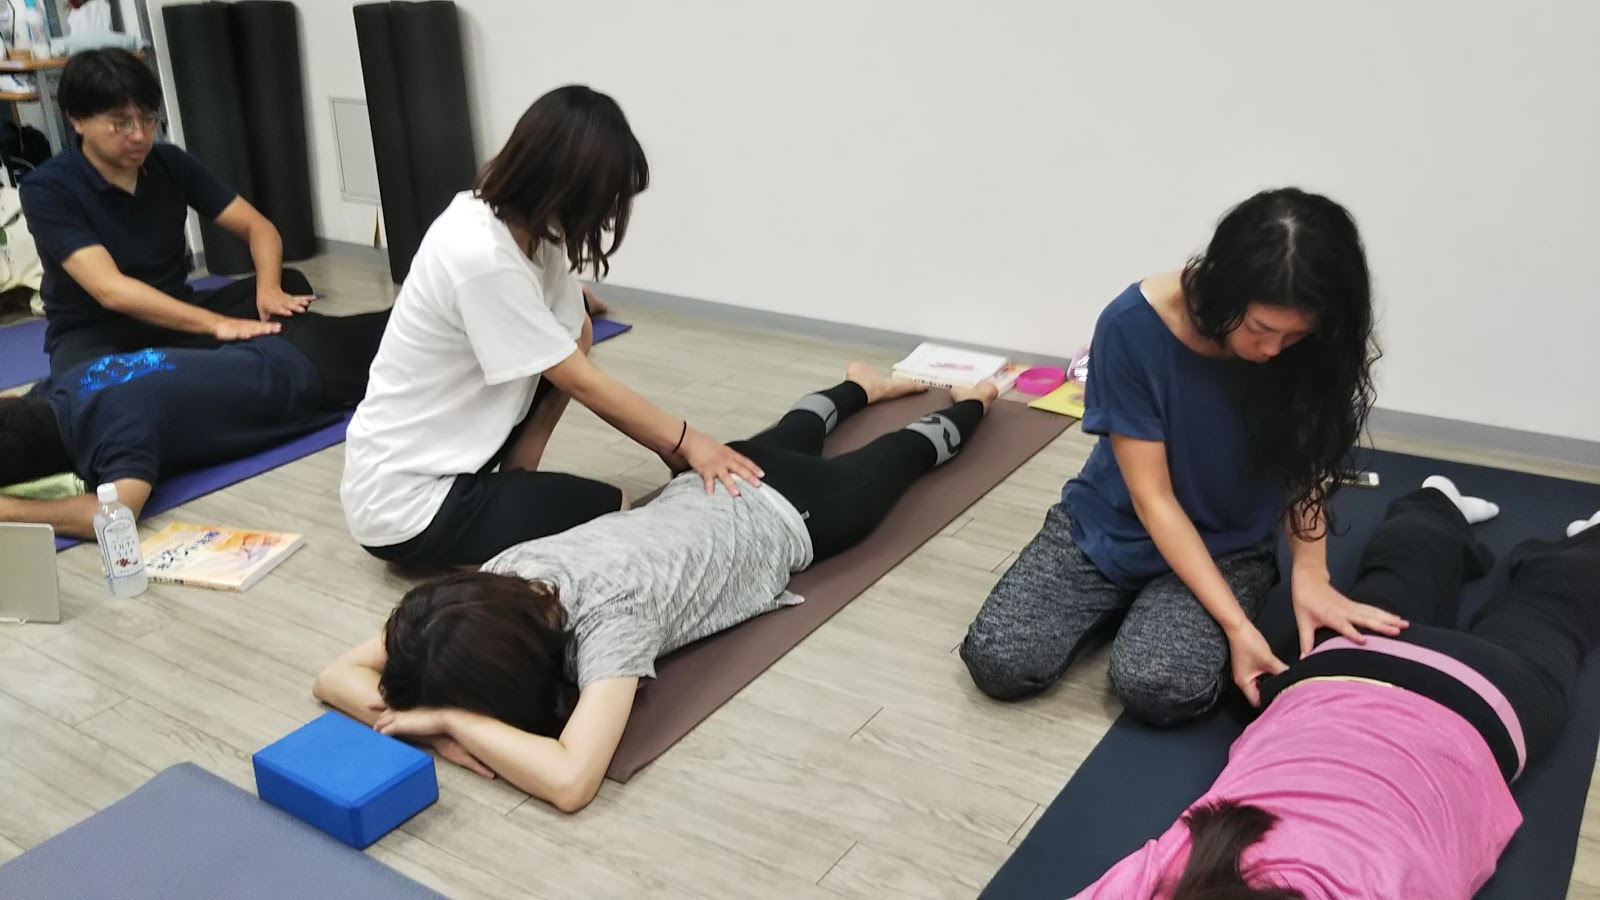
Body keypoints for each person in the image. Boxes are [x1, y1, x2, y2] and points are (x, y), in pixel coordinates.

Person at [314, 364, 999, 811]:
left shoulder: (612, 621)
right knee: (797, 429)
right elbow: (332, 676)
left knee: (906, 455)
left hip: (796, 514)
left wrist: (450, 722)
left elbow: (571, 781)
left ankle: (976, 399)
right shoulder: (500, 578)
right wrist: (432, 721)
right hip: (712, 477)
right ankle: (859, 386)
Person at [961, 188, 1385, 725]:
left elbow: (1307, 459)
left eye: (1295, 335)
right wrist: (1237, 627)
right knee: (999, 660)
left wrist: (1311, 572)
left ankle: (1152, 613)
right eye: (1261, 329)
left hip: (1228, 540)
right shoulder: (1131, 327)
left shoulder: (1310, 347)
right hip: (1118, 521)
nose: (1273, 350)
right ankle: (1130, 607)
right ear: (1223, 287)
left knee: (1159, 686)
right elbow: (1153, 498)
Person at [1071, 478, 1600, 899]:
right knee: (1398, 578)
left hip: (1478, 699)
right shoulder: (1176, 871)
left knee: (1551, 615)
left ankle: (1588, 542)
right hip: (1340, 673)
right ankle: (1434, 501)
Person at [340, 84, 760, 571]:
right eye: (605, 199)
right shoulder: (478, 252)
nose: (608, 215)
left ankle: (508, 500)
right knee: (612, 509)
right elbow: (580, 381)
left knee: (577, 335)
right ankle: (483, 558)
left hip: (455, 470)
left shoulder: (536, 233)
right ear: (566, 185)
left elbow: (572, 343)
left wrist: (522, 481)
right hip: (404, 505)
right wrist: (685, 441)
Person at [19, 48, 315, 375]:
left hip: (176, 317)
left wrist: (270, 289)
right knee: (94, 387)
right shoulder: (47, 188)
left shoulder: (170, 162)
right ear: (77, 119)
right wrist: (217, 324)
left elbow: (258, 228)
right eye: (120, 123)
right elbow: (110, 291)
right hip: (98, 335)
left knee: (290, 283)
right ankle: (207, 367)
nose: (139, 135)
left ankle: (196, 368)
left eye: (148, 119)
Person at [0, 297, 387, 540]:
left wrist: (11, 509)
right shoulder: (59, 386)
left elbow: (114, 517)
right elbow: (11, 402)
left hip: (313, 371)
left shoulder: (117, 434)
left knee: (418, 323)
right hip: (281, 344)